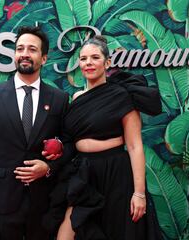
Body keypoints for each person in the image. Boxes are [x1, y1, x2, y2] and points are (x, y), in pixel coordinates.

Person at [45, 35, 162, 240]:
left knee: (115, 232)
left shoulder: (123, 95)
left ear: (107, 62)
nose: (88, 63)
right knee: (66, 234)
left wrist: (139, 193)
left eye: (95, 57)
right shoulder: (76, 98)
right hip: (84, 173)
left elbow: (135, 146)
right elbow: (72, 140)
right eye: (83, 59)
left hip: (115, 173)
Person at [0, 26, 72, 240]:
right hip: (2, 201)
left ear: (43, 58)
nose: (25, 53)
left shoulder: (59, 98)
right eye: (20, 48)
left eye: (32, 49)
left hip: (44, 202)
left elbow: (69, 144)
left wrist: (48, 167)